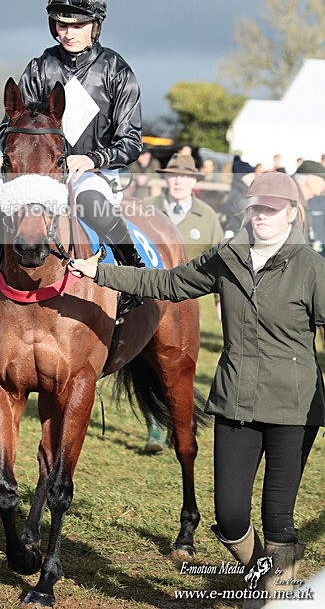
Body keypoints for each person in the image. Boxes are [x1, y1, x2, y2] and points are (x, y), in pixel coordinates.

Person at [69, 172, 325, 608]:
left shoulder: (311, 267)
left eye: (271, 209)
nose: (261, 216)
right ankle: (263, 573)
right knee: (229, 518)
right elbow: (167, 284)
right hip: (236, 401)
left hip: (294, 409)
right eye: (255, 207)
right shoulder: (229, 256)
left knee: (277, 517)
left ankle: (276, 596)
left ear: (292, 214)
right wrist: (101, 272)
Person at [0, 0, 143, 311]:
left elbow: (132, 141)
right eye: (61, 24)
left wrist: (92, 159)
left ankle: (133, 276)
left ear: (95, 25)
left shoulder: (116, 70)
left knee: (94, 206)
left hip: (92, 173)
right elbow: (13, 124)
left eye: (77, 25)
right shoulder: (40, 67)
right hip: (41, 175)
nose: (68, 32)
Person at [142, 152, 224, 453]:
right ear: (166, 179)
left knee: (181, 366)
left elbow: (219, 260)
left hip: (188, 305)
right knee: (148, 364)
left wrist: (219, 298)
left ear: (193, 181)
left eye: (184, 176)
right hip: (149, 300)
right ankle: (155, 430)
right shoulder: (147, 208)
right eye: (173, 176)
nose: (178, 181)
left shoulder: (207, 216)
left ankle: (179, 424)